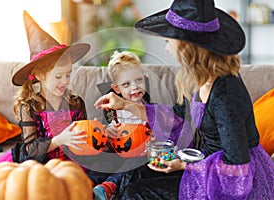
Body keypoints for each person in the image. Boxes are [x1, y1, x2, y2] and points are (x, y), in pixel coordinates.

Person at [94, 0, 274, 199]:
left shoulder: (226, 93)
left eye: (169, 41)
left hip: (228, 179)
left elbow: (237, 165)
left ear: (187, 47)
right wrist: (125, 105)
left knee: (136, 194)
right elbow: (176, 116)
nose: (167, 49)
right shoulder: (201, 79)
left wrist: (182, 165)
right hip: (205, 165)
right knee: (134, 175)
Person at [0, 11, 90, 168]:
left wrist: (94, 131)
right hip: (40, 165)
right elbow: (30, 149)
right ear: (39, 75)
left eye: (68, 75)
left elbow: (84, 138)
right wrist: (59, 140)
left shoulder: (75, 103)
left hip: (72, 163)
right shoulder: (29, 107)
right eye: (58, 77)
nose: (65, 81)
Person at [92, 50, 152, 200]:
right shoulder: (112, 111)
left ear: (144, 79)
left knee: (133, 165)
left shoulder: (149, 109)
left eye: (138, 80)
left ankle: (110, 186)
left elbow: (157, 128)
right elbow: (103, 137)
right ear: (117, 89)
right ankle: (87, 183)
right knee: (100, 162)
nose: (135, 87)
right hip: (115, 153)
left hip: (138, 156)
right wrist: (107, 132)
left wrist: (154, 137)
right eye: (126, 84)